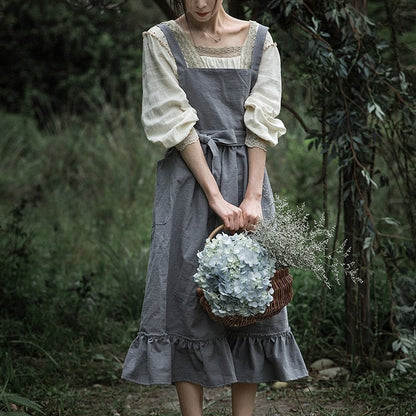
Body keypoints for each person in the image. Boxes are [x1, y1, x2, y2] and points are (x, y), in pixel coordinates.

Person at [122, 1, 308, 415]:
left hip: (248, 177)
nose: (200, 3)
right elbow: (172, 118)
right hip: (189, 181)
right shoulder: (161, 40)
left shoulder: (260, 40)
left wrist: (252, 197)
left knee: (255, 298)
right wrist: (214, 195)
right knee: (184, 299)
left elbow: (262, 117)